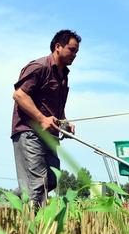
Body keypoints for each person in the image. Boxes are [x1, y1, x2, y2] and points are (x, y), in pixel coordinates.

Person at [11, 30, 80, 208]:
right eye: (72, 50)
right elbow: (19, 95)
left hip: (49, 135)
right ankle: (36, 230)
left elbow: (55, 109)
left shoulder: (63, 75)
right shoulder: (39, 67)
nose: (74, 55)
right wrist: (42, 119)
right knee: (37, 185)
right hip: (29, 131)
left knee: (51, 180)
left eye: (76, 52)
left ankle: (6, 204)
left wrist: (64, 123)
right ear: (58, 46)